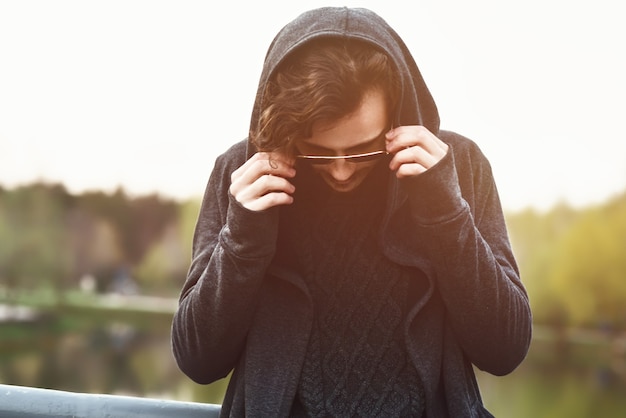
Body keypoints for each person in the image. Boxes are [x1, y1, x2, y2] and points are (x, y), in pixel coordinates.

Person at [172, 6, 532, 417]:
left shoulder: (456, 165)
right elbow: (197, 360)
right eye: (318, 153)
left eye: (363, 149)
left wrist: (445, 212)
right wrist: (243, 238)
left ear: (396, 118)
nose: (342, 171)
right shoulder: (242, 174)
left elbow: (506, 349)